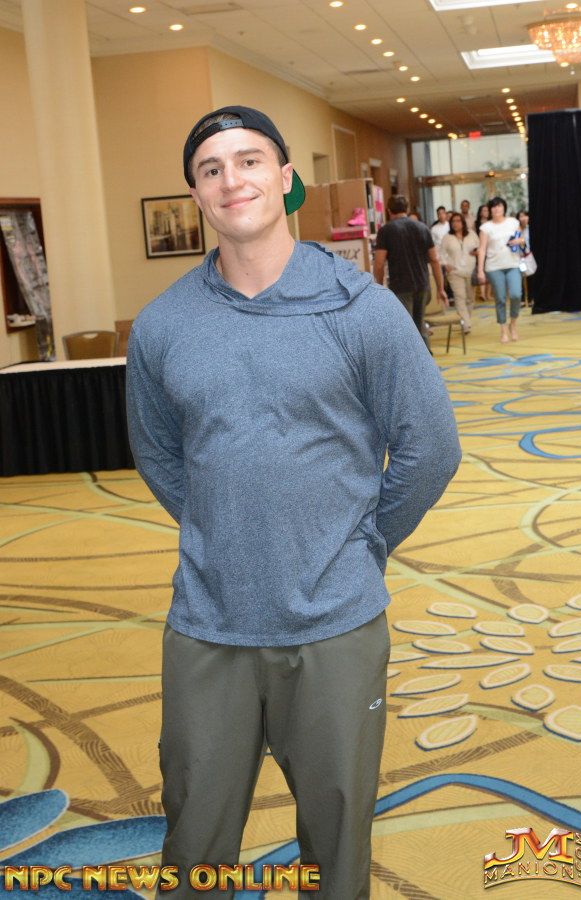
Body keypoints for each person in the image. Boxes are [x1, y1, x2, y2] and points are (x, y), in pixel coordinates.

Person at [126, 106, 461, 899]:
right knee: (194, 841)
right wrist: (222, 530)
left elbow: (430, 448)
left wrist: (360, 545)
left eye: (249, 161)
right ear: (197, 195)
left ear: (284, 178)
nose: (231, 180)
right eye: (210, 169)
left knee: (336, 845)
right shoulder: (163, 324)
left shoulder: (360, 309)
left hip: (335, 624)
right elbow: (159, 454)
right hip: (208, 624)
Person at [374, 195, 448, 347]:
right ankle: (426, 356)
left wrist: (379, 287)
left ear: (389, 211)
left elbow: (379, 263)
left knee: (405, 328)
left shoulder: (386, 231)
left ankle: (413, 360)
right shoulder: (422, 228)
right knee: (419, 325)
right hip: (422, 284)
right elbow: (434, 259)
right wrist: (440, 288)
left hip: (401, 286)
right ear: (407, 209)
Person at [477, 196, 522, 343]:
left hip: (513, 264)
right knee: (500, 298)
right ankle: (503, 329)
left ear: (504, 208)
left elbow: (522, 239)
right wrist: (480, 270)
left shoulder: (513, 222)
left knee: (516, 295)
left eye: (499, 206)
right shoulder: (486, 227)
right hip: (494, 267)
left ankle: (513, 324)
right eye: (494, 206)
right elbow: (482, 249)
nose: (497, 209)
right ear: (490, 210)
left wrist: (519, 240)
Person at [441, 212, 479, 333]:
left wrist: (477, 252)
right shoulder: (447, 237)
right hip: (454, 272)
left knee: (470, 298)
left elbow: (480, 248)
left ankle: (465, 320)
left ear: (463, 222)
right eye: (453, 221)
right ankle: (466, 324)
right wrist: (445, 265)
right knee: (460, 297)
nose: (455, 223)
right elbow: (441, 254)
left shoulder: (472, 234)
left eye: (458, 221)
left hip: (470, 271)